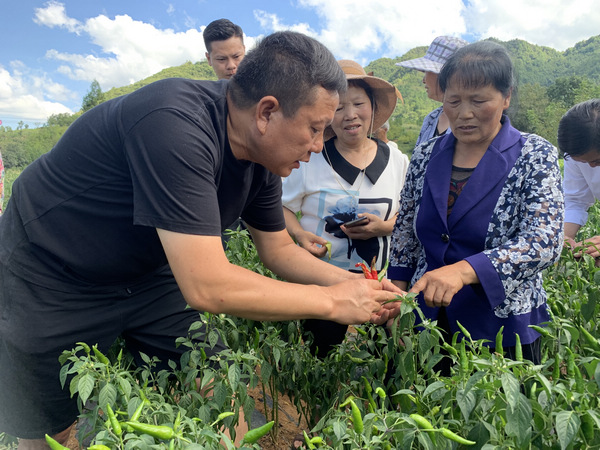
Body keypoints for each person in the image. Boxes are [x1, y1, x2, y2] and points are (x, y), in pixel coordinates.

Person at [0, 31, 402, 448]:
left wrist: (355, 286)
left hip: (152, 272)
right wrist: (335, 303)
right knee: (51, 425)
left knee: (216, 383)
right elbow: (207, 285)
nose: (320, 146)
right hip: (50, 273)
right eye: (315, 129)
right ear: (267, 112)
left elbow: (279, 249)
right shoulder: (174, 124)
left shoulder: (264, 159)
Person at [388, 41, 564, 370]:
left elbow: (545, 240)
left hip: (503, 328)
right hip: (429, 324)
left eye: (478, 101)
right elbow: (405, 233)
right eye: (453, 101)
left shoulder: (534, 154)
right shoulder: (426, 155)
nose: (464, 113)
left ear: (506, 97)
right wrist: (398, 300)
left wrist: (465, 271)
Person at [282, 60, 409, 357]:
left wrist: (384, 227)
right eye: (339, 108)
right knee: (322, 357)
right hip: (324, 284)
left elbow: (412, 211)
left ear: (373, 108)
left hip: (383, 286)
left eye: (359, 104)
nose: (350, 115)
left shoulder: (396, 160)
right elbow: (282, 208)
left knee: (385, 360)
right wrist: (300, 235)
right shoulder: (311, 159)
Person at [396, 36, 468, 146]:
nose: (423, 80)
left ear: (445, 75)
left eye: (426, 71)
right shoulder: (431, 118)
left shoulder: (472, 120)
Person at [557, 99, 600, 262]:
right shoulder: (577, 153)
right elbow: (576, 200)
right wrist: (564, 238)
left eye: (596, 161)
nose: (591, 167)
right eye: (583, 162)